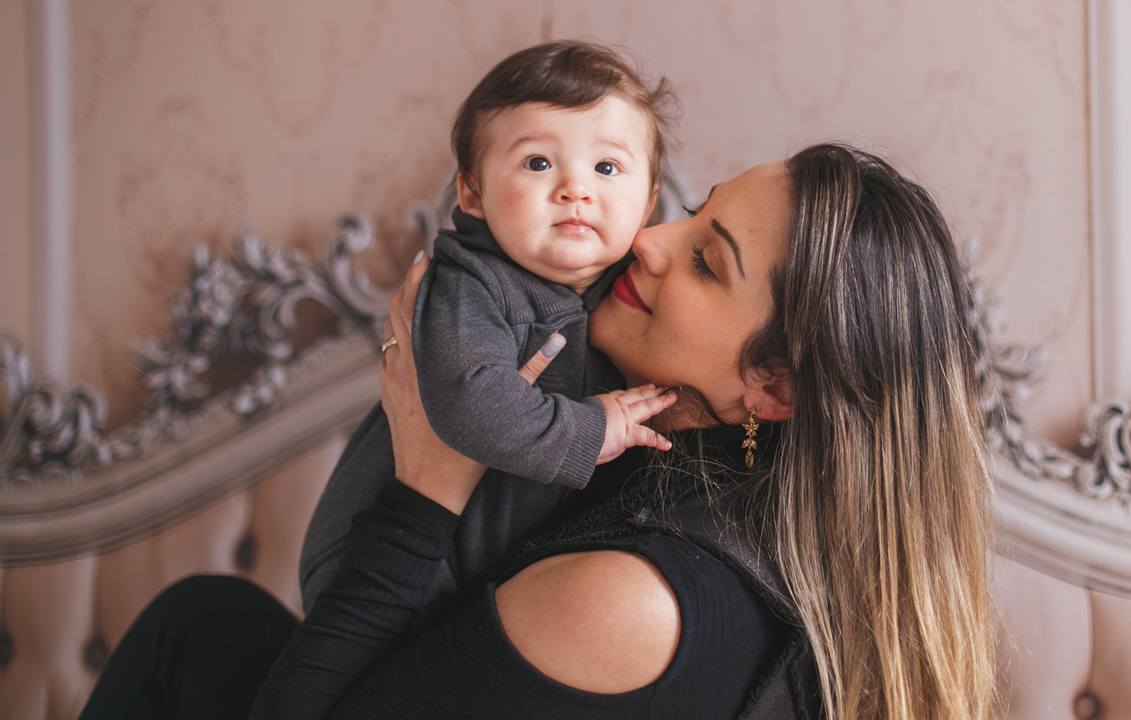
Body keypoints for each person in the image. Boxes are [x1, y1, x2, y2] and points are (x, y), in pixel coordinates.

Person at [79, 143, 997, 720]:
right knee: (206, 623)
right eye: (694, 208)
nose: (650, 237)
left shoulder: (633, 602)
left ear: (775, 387)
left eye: (708, 263)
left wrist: (430, 484)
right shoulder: (691, 463)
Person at [393, 41, 678, 611]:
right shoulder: (469, 282)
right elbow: (470, 400)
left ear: (646, 204)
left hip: (501, 576)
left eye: (606, 167)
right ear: (471, 192)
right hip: (404, 563)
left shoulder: (636, 290)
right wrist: (593, 430)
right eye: (538, 163)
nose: (576, 189)